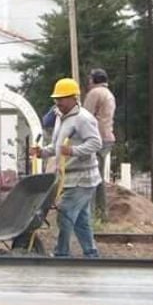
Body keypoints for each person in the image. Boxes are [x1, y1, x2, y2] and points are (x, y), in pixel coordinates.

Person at [30, 78, 102, 258]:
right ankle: (91, 254)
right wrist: (42, 152)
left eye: (61, 99)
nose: (58, 103)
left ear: (73, 98)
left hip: (83, 178)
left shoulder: (83, 119)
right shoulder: (60, 118)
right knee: (81, 221)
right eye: (56, 99)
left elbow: (96, 143)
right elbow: (57, 145)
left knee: (66, 214)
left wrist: (73, 150)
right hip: (67, 177)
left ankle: (61, 253)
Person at [83, 68, 116, 221]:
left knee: (91, 177)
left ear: (94, 80)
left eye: (90, 79)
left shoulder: (95, 93)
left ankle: (92, 214)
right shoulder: (109, 94)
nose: (88, 82)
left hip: (96, 138)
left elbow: (85, 116)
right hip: (107, 137)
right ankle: (101, 213)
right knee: (98, 176)